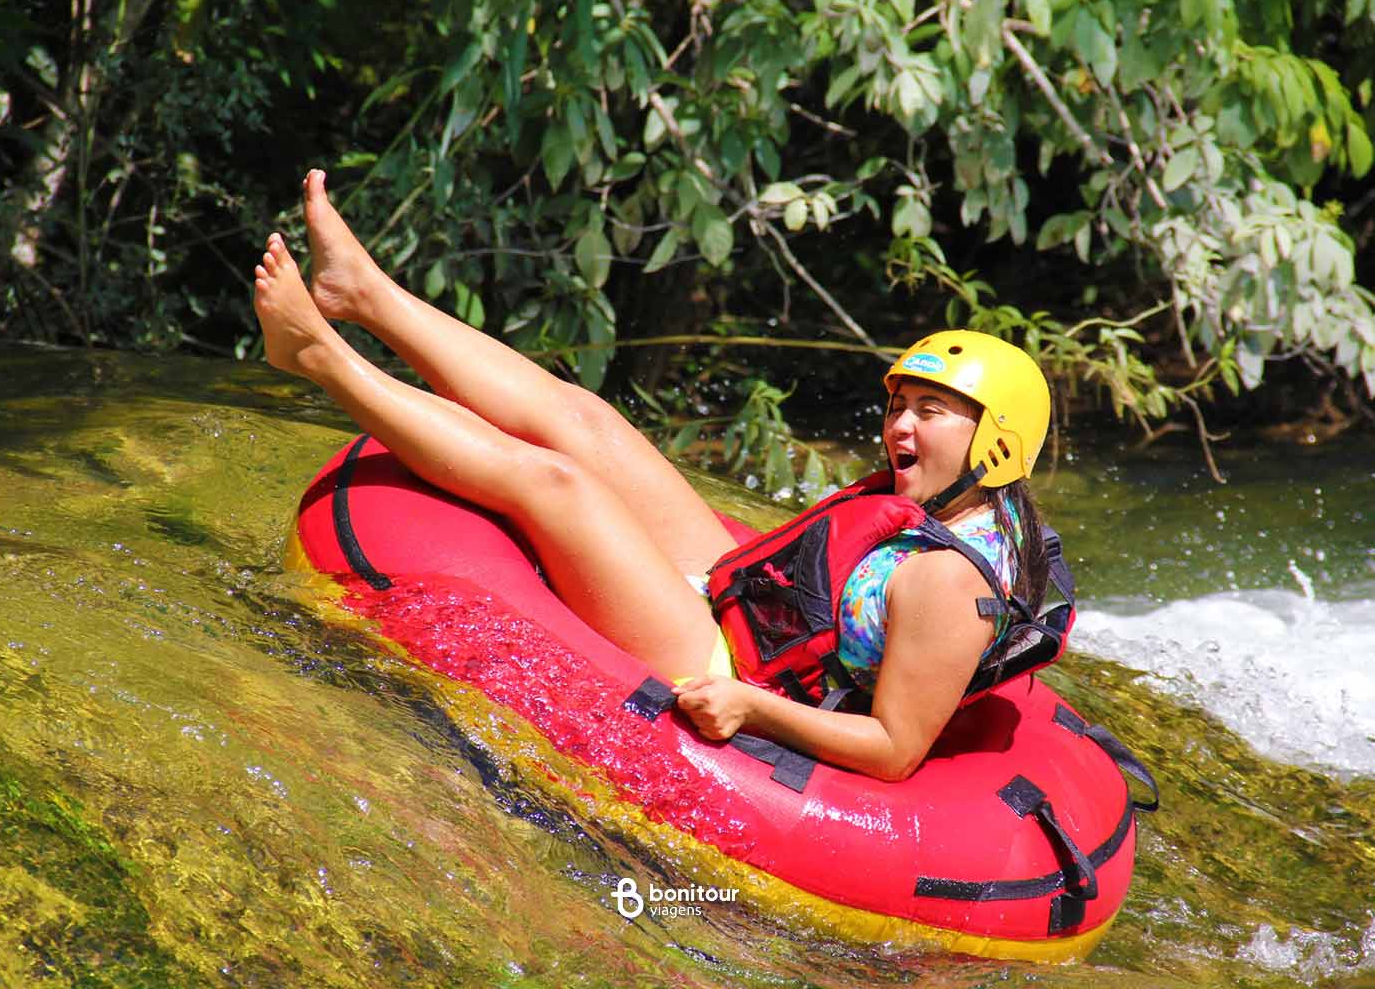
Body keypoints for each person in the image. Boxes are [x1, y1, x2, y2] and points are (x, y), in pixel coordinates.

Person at [252, 169, 1055, 783]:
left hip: (735, 666)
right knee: (585, 422)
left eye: (931, 413)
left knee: (556, 485)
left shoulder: (955, 586)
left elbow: (893, 751)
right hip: (759, 609)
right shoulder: (953, 498)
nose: (899, 427)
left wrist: (749, 706)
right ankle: (363, 293)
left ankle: (318, 354)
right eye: (901, 404)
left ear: (997, 444)